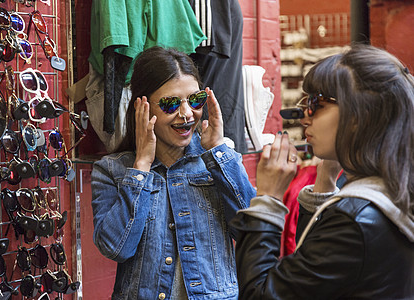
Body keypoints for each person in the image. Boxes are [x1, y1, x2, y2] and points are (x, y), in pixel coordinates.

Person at [230, 44, 414, 299]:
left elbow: (260, 294)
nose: (305, 117)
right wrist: (325, 183)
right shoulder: (396, 191)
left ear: (359, 116)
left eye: (316, 104)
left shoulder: (354, 220)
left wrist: (268, 199)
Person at [91, 46, 256, 300]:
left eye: (195, 100)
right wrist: (142, 167)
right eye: (170, 104)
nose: (187, 114)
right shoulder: (112, 170)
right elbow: (116, 248)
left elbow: (253, 231)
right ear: (142, 107)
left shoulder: (218, 163)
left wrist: (218, 151)